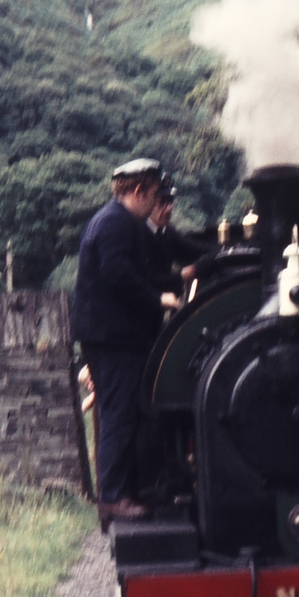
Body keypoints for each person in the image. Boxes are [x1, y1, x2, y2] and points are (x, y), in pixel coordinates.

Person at [72, 158, 179, 529]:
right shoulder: (116, 224)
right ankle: (113, 498)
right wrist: (158, 298)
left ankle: (129, 489)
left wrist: (173, 282)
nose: (157, 204)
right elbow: (119, 275)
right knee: (118, 413)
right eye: (153, 196)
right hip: (111, 338)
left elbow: (137, 273)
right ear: (138, 191)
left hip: (116, 336)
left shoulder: (121, 223)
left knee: (127, 411)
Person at [143, 178, 203, 297]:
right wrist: (184, 275)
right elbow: (147, 282)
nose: (169, 208)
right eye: (163, 202)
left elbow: (192, 249)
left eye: (170, 202)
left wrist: (222, 252)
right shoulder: (138, 235)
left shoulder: (167, 233)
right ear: (150, 203)